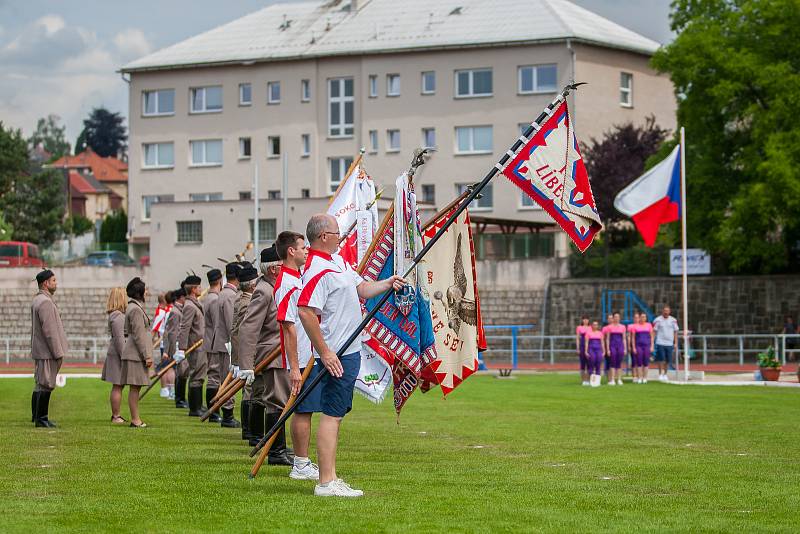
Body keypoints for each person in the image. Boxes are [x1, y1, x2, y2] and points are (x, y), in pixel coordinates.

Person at [297, 214, 404, 497]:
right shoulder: (317, 270)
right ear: (323, 236)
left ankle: (330, 477)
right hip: (337, 352)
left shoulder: (339, 263)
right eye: (336, 232)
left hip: (351, 349)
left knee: (337, 414)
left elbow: (362, 288)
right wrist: (325, 352)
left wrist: (387, 282)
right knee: (331, 414)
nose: (341, 236)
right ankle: (326, 482)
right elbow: (306, 311)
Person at [239, 246, 294, 465]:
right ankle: (276, 451)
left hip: (280, 351)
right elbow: (248, 327)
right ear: (273, 269)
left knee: (279, 401)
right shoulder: (264, 290)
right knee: (277, 402)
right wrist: (246, 364)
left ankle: (276, 446)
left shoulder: (275, 287)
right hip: (271, 353)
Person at [275, 230, 321, 480]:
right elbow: (288, 327)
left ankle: (302, 461)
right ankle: (300, 464)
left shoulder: (297, 278)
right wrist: (294, 367)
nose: (306, 250)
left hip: (308, 353)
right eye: (302, 247)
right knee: (303, 409)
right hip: (301, 357)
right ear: (291, 251)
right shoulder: (286, 283)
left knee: (307, 409)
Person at [30, 269, 68, 428]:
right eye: (53, 280)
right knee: (46, 383)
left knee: (40, 383)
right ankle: (41, 419)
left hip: (41, 349)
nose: (56, 283)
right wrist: (58, 353)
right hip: (47, 351)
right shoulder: (45, 302)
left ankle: (36, 416)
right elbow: (50, 331)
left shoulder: (38, 299)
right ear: (45, 283)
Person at [210, 262, 242, 428]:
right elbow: (232, 323)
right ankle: (228, 414)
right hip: (228, 343)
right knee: (228, 380)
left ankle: (226, 412)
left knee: (225, 378)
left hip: (223, 342)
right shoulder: (230, 295)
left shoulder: (225, 293)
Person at [120, 277, 153, 428]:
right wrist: (146, 355)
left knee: (136, 387)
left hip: (135, 353)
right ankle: (135, 419)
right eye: (145, 289)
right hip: (135, 355)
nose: (147, 292)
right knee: (135, 387)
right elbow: (139, 335)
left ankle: (136, 418)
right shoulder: (135, 309)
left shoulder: (135, 307)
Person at [231, 264, 258, 441]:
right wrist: (239, 359)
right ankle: (249, 430)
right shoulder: (246, 303)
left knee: (250, 390)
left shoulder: (243, 299)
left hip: (245, 352)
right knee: (250, 391)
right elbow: (240, 332)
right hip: (248, 352)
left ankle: (249, 429)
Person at [177, 275, 206, 416]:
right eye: (199, 287)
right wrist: (182, 349)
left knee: (199, 375)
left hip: (200, 345)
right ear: (194, 289)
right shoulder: (189, 306)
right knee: (196, 376)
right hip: (195, 346)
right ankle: (195, 408)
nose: (201, 289)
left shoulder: (194, 303)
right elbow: (184, 328)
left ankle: (198, 405)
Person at [101, 287, 127, 423]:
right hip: (117, 355)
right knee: (117, 385)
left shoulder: (115, 315)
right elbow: (119, 339)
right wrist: (125, 356)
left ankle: (116, 415)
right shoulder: (118, 316)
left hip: (115, 353)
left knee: (119, 385)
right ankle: (115, 415)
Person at [202, 268, 223, 422]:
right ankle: (213, 412)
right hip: (215, 341)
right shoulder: (215, 299)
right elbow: (217, 324)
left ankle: (212, 411)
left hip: (210, 340)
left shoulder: (209, 297)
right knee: (215, 377)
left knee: (213, 376)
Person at [165, 288, 187, 407]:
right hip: (178, 346)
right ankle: (179, 399)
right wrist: (175, 350)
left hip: (181, 345)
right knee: (181, 372)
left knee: (183, 372)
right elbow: (172, 332)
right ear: (181, 298)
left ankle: (181, 398)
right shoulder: (175, 311)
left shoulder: (180, 310)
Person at [151, 293, 172, 397]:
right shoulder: (161, 312)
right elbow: (154, 330)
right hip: (165, 343)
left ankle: (167, 389)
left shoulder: (165, 312)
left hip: (166, 342)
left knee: (167, 367)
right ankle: (166, 389)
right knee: (167, 368)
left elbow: (155, 330)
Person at [652, 305, 679, 382]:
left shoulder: (673, 320)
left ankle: (665, 374)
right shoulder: (657, 320)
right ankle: (660, 373)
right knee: (661, 359)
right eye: (665, 311)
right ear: (662, 311)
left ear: (669, 312)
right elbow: (654, 331)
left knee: (667, 360)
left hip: (669, 343)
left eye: (667, 311)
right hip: (660, 342)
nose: (666, 312)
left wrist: (675, 342)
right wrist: (652, 342)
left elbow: (675, 332)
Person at [605, 312, 627, 386]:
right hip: (612, 346)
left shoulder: (623, 327)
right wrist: (608, 349)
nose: (616, 318)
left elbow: (624, 338)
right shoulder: (609, 327)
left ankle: (619, 379)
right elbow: (607, 339)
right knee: (612, 363)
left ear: (619, 318)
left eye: (618, 317)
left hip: (620, 346)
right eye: (615, 317)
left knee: (619, 363)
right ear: (613, 318)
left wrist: (625, 348)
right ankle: (612, 380)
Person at [632, 314, 653, 384]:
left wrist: (652, 346)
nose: (642, 318)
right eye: (641, 317)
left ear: (646, 318)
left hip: (647, 345)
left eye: (644, 317)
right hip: (639, 346)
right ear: (639, 318)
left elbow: (652, 337)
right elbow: (633, 338)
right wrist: (634, 347)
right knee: (639, 362)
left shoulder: (649, 325)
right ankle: (640, 377)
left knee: (646, 362)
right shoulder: (635, 326)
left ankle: (645, 378)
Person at [584, 321, 604, 387]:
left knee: (598, 364)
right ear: (591, 326)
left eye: (596, 325)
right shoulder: (588, 333)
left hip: (598, 349)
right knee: (591, 364)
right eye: (594, 325)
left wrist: (604, 351)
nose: (595, 326)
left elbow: (602, 343)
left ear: (598, 326)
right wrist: (586, 351)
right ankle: (591, 381)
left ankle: (597, 382)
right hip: (591, 349)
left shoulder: (600, 333)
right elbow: (586, 343)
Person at [575, 316, 591, 386]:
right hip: (582, 346)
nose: (585, 320)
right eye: (584, 319)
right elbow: (578, 338)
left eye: (587, 319)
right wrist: (578, 348)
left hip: (590, 347)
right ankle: (583, 380)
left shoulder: (591, 327)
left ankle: (588, 380)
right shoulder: (579, 327)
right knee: (582, 364)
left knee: (589, 364)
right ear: (582, 320)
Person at [627, 312, 640, 378]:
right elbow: (629, 336)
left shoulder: (641, 326)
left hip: (640, 345)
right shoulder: (630, 326)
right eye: (635, 318)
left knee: (639, 361)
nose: (636, 319)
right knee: (634, 361)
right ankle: (634, 376)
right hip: (633, 345)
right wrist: (629, 346)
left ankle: (639, 375)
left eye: (637, 318)